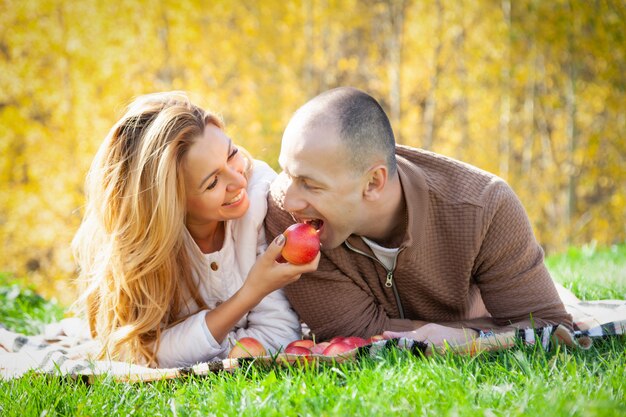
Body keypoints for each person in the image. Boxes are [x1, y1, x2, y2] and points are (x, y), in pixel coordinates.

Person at [264, 87, 572, 346]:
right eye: (287, 172)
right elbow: (351, 333)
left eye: (310, 184)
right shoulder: (284, 212)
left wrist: (468, 334)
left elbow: (549, 327)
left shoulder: (486, 208)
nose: (290, 198)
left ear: (373, 182)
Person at [72, 92, 319, 368]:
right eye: (212, 182)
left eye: (232, 154)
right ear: (173, 204)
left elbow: (279, 337)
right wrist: (249, 294)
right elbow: (135, 353)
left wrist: (187, 345)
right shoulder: (146, 251)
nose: (238, 180)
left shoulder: (262, 202)